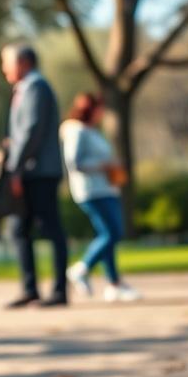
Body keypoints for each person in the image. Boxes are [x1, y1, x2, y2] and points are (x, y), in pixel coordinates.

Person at [1, 43, 69, 308]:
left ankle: (59, 291)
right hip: (29, 170)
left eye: (6, 62)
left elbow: (31, 131)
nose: (4, 68)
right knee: (18, 229)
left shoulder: (36, 87)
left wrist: (15, 169)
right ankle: (30, 289)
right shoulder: (25, 88)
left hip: (39, 172)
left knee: (51, 228)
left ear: (23, 63)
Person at [60, 93, 140, 302]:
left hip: (107, 189)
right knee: (113, 233)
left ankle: (114, 284)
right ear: (90, 109)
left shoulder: (93, 131)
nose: (102, 113)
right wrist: (102, 167)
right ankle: (82, 268)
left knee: (108, 235)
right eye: (99, 109)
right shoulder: (76, 131)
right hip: (91, 191)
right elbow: (74, 163)